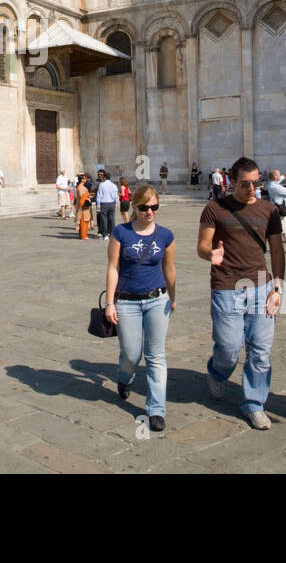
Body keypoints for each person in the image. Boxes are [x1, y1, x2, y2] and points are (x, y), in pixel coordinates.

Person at [198, 157, 285, 429]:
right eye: (245, 183)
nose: (251, 188)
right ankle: (217, 370)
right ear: (232, 181)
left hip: (261, 284)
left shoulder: (268, 210)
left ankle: (254, 403)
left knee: (260, 351)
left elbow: (277, 250)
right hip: (226, 285)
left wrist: (278, 286)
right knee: (229, 348)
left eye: (256, 182)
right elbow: (201, 245)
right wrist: (210, 253)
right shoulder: (215, 208)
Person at [104, 184, 176, 432]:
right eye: (145, 207)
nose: (150, 212)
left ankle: (156, 409)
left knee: (156, 356)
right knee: (131, 355)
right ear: (134, 207)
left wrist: (172, 297)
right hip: (126, 302)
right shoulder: (120, 233)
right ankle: (125, 378)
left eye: (154, 207)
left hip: (157, 299)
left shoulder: (166, 235)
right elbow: (113, 268)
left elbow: (169, 269)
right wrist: (110, 302)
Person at [95, 170, 118, 239]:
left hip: (104, 203)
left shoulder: (102, 185)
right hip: (112, 203)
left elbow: (99, 196)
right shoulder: (114, 185)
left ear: (104, 177)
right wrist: (116, 202)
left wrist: (98, 205)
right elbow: (116, 195)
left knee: (104, 219)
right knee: (112, 219)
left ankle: (105, 234)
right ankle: (112, 234)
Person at [76, 175, 93, 239]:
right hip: (83, 205)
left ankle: (83, 234)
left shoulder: (82, 186)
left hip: (85, 204)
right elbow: (81, 195)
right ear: (81, 180)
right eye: (84, 179)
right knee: (84, 220)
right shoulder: (80, 187)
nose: (85, 180)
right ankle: (83, 235)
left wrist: (89, 195)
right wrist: (87, 195)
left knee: (85, 219)